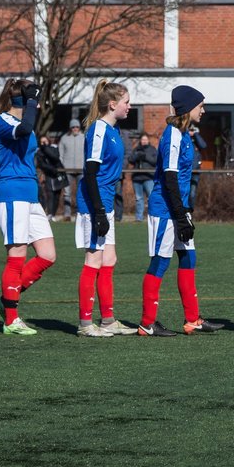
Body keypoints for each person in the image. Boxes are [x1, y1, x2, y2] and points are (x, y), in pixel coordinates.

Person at [139, 85, 223, 337]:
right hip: (165, 210)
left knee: (189, 258)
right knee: (160, 262)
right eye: (201, 106)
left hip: (178, 209)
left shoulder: (185, 134)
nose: (204, 110)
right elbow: (170, 177)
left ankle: (192, 319)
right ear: (188, 108)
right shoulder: (173, 134)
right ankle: (147, 323)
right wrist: (179, 215)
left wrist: (184, 212)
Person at [0, 77, 55, 336]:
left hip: (29, 195)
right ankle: (11, 319)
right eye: (34, 99)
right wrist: (30, 102)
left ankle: (5, 299)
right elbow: (26, 129)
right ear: (23, 100)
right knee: (17, 258)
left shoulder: (21, 121)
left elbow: (27, 127)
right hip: (11, 194)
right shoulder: (3, 120)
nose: (38, 104)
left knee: (48, 255)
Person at [75, 80, 139, 338]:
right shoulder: (99, 130)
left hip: (105, 200)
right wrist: (99, 211)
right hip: (94, 202)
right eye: (126, 102)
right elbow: (90, 174)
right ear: (112, 105)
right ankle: (84, 323)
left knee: (109, 259)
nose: (130, 106)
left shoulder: (114, 130)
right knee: (93, 260)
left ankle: (108, 320)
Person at [58, 118, 85, 221]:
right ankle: (67, 214)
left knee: (81, 192)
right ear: (70, 128)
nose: (75, 128)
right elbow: (60, 154)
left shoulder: (84, 137)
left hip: (81, 169)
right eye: (73, 127)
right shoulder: (64, 138)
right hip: (67, 169)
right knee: (67, 192)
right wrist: (62, 166)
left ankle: (80, 213)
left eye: (77, 126)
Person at [37, 134, 67, 220]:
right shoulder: (39, 152)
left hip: (58, 175)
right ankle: (49, 213)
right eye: (42, 142)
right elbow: (42, 164)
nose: (43, 143)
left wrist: (46, 149)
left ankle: (53, 214)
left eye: (45, 141)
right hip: (49, 174)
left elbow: (55, 158)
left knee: (57, 195)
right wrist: (51, 169)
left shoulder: (54, 148)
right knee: (50, 194)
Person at [129, 133, 158, 221]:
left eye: (145, 139)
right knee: (139, 198)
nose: (144, 141)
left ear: (148, 140)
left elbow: (155, 161)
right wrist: (137, 156)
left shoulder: (152, 149)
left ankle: (153, 216)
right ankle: (139, 217)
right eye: (142, 139)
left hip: (148, 177)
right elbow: (130, 160)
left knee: (151, 197)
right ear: (140, 141)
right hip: (137, 177)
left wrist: (145, 157)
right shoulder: (136, 149)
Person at [187, 125, 208, 211]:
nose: (191, 131)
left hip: (195, 170)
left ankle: (191, 211)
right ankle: (184, 210)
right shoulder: (185, 139)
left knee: (192, 193)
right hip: (185, 170)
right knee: (184, 192)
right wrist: (187, 134)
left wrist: (196, 134)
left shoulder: (197, 141)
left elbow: (203, 145)